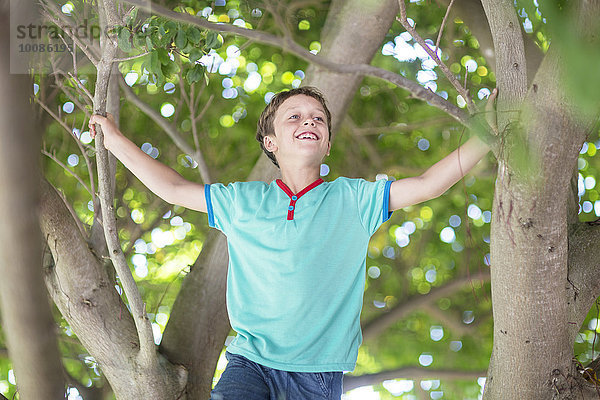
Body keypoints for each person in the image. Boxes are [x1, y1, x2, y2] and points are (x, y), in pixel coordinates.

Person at [89, 86, 496, 400]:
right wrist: (111, 139)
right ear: (271, 143)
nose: (310, 121)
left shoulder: (355, 199)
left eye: (319, 118)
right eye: (295, 116)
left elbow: (428, 185)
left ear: (328, 144)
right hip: (250, 362)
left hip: (316, 373)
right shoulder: (242, 201)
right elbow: (174, 187)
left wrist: (485, 133)